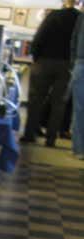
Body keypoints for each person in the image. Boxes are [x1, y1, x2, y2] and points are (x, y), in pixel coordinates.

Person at [21, 0, 81, 147]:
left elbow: (40, 35)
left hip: (45, 61)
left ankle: (30, 134)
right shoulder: (80, 19)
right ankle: (51, 139)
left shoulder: (54, 15)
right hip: (68, 64)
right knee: (59, 103)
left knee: (36, 100)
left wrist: (36, 56)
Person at [72, 11, 84, 157]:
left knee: (79, 109)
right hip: (81, 62)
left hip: (80, 63)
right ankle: (79, 148)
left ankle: (79, 149)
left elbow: (74, 39)